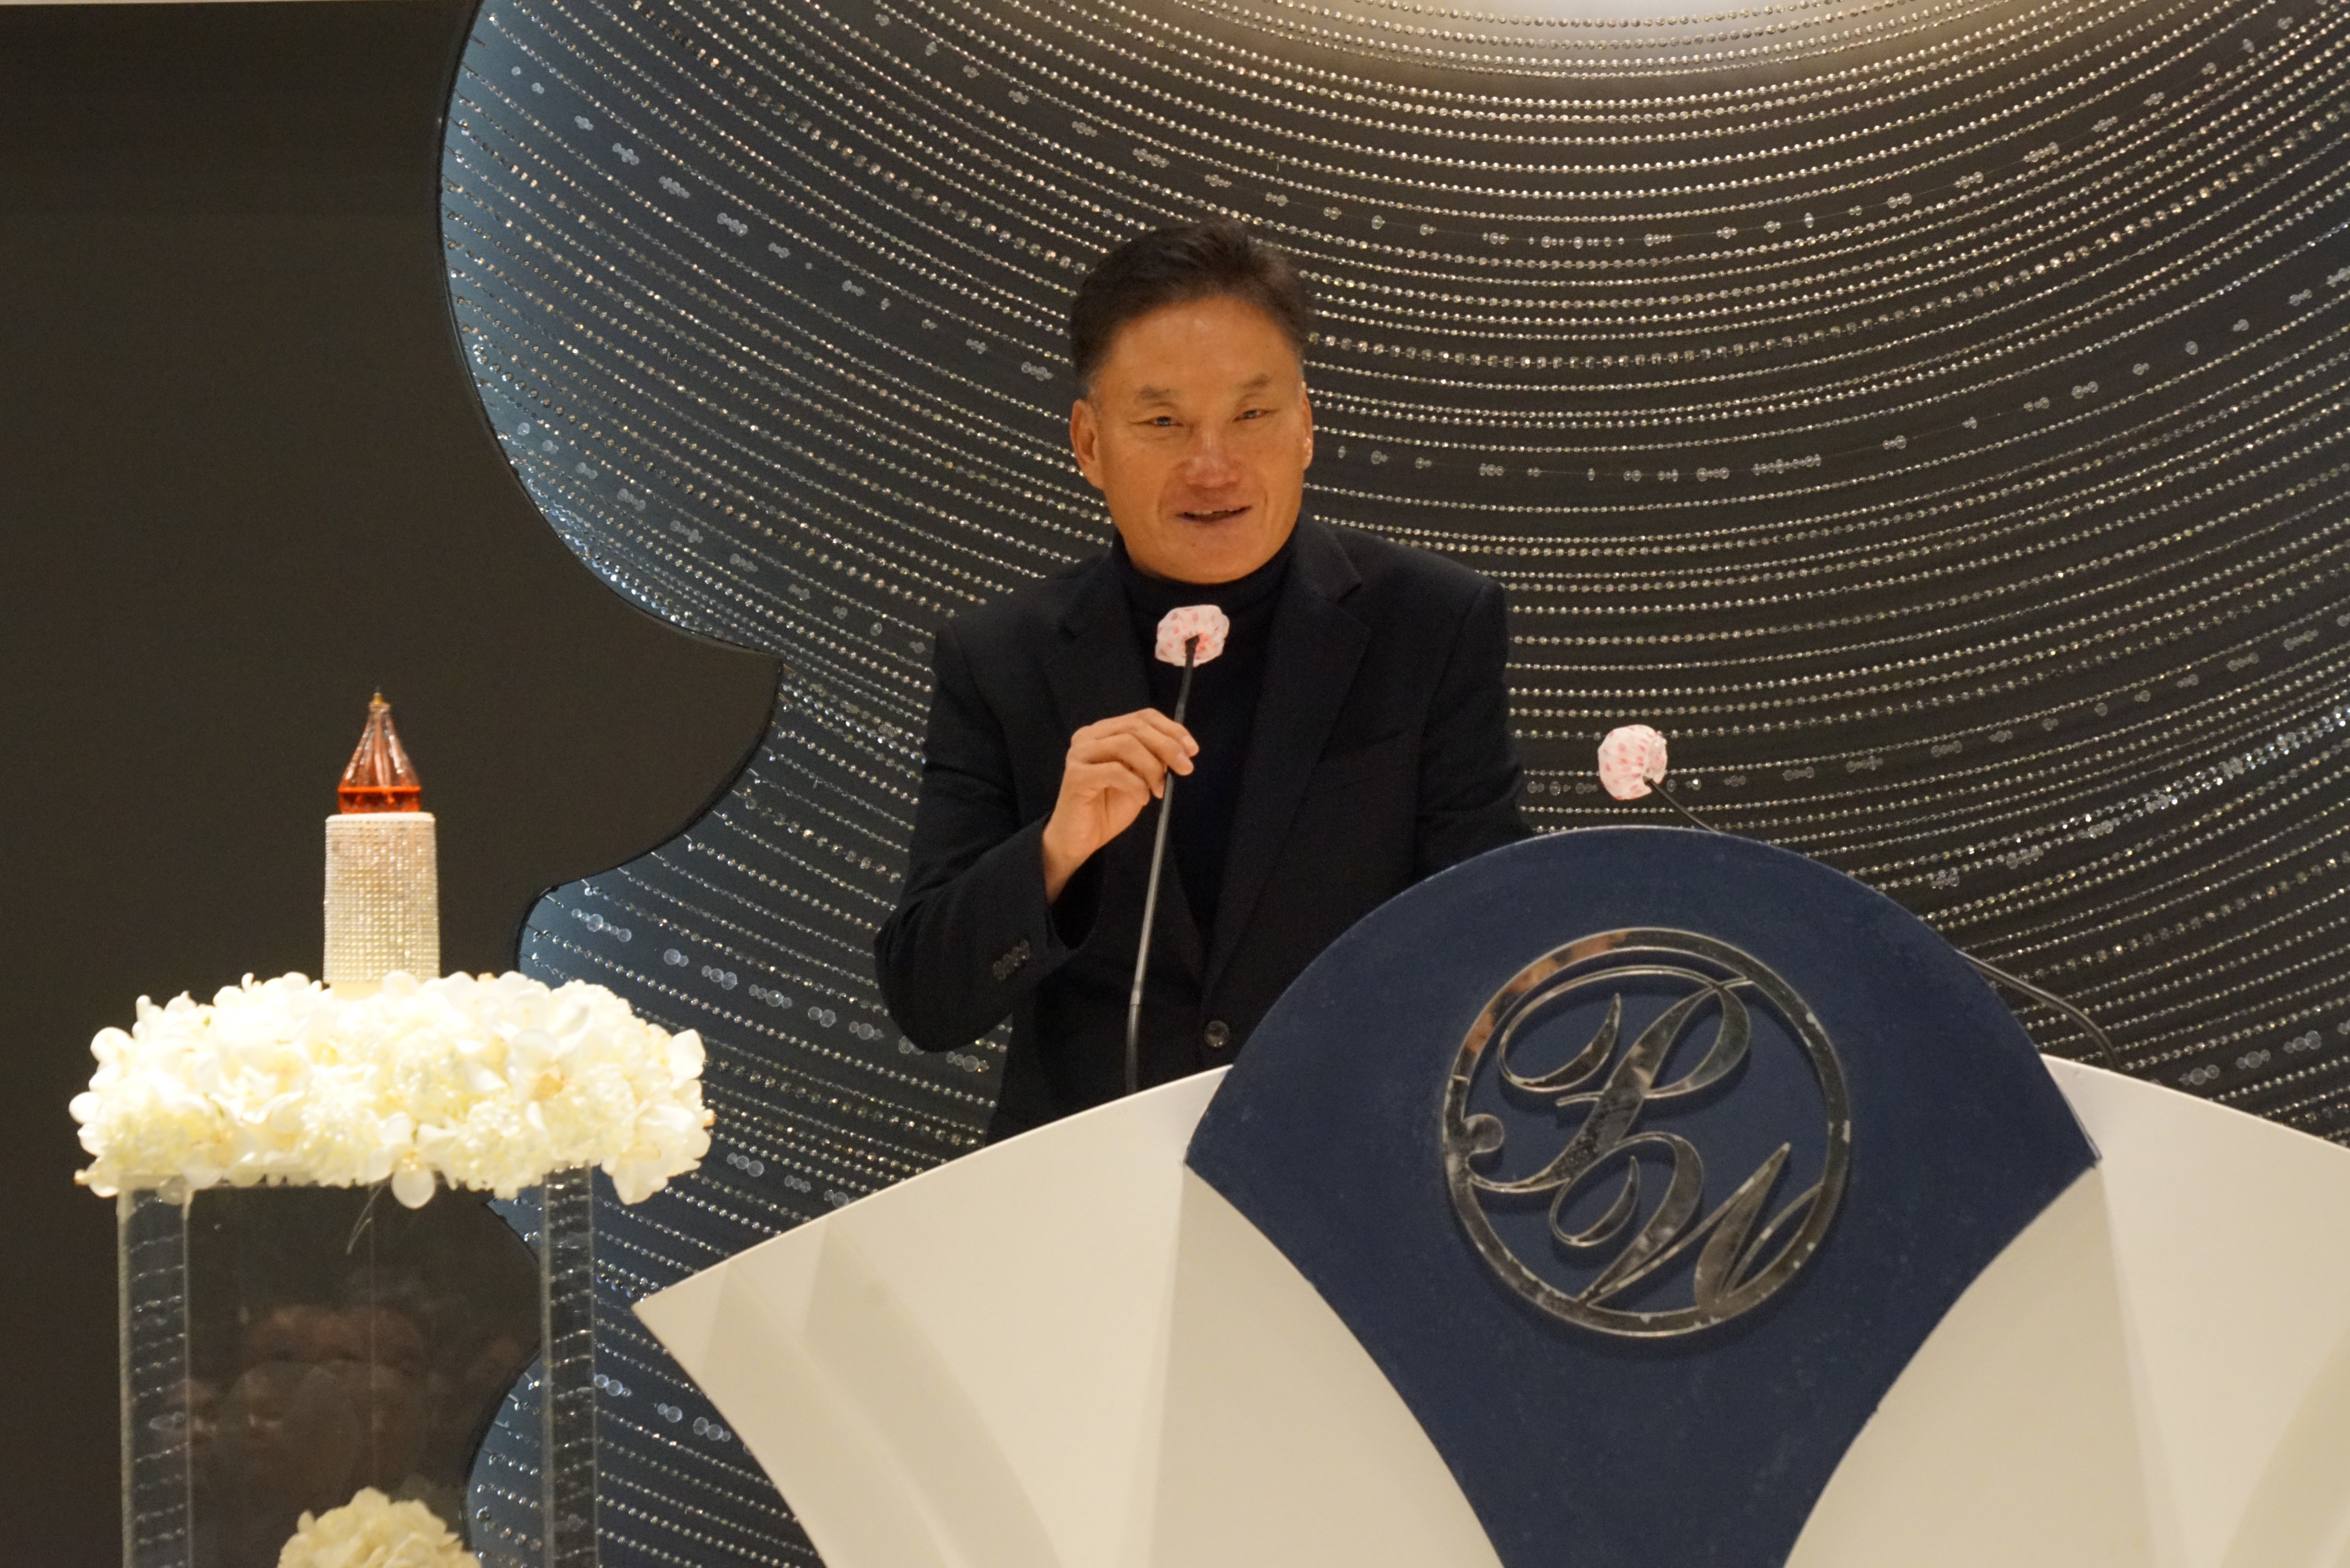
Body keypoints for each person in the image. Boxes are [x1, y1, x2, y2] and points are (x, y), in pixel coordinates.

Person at [874, 218, 1529, 1140]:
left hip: (1343, 1166)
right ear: (1088, 443)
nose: (1213, 467)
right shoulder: (1001, 656)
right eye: (1163, 423)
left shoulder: (1430, 625)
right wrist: (1056, 849)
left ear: (1306, 425)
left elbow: (1488, 939)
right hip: (1089, 1187)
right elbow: (926, 998)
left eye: (1252, 416)